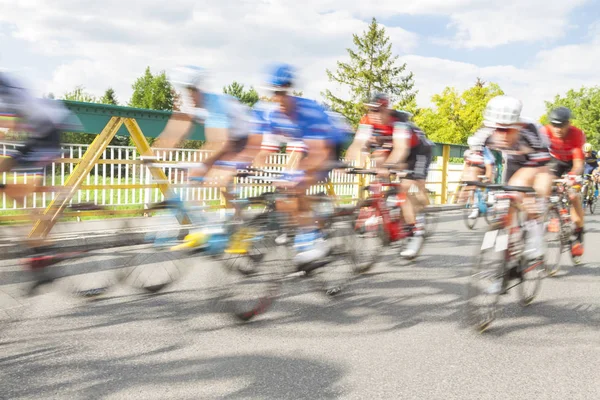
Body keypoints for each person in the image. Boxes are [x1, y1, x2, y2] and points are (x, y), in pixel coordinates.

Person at [251, 63, 349, 265]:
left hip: (330, 142)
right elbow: (265, 150)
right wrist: (253, 168)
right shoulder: (271, 114)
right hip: (306, 143)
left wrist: (294, 177)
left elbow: (319, 153)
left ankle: (317, 240)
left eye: (282, 92)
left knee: (299, 184)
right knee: (287, 192)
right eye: (274, 93)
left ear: (289, 90)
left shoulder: (308, 111)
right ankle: (304, 229)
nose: (278, 98)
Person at [345, 92, 434, 258]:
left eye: (378, 111)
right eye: (372, 111)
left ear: (387, 109)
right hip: (391, 146)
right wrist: (347, 163)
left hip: (418, 150)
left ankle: (415, 229)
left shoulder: (399, 123)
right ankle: (383, 205)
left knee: (406, 188)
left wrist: (389, 166)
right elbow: (357, 144)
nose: (375, 115)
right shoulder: (367, 120)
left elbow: (402, 149)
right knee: (378, 160)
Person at [469, 96, 552, 268]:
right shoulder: (484, 134)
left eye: (507, 130)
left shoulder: (531, 132)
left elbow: (542, 173)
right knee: (507, 205)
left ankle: (536, 237)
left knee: (526, 194)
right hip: (514, 159)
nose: (501, 135)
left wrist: (538, 200)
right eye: (497, 129)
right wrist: (470, 182)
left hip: (534, 160)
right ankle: (506, 260)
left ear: (518, 125)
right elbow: (473, 165)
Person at [542, 106, 585, 257]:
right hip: (556, 161)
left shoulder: (576, 134)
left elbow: (579, 164)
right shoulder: (545, 132)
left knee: (573, 195)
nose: (557, 129)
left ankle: (579, 233)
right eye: (554, 125)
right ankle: (554, 213)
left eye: (561, 125)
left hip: (572, 162)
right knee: (546, 184)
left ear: (568, 124)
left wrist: (572, 176)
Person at [459, 136, 496, 217]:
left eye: (479, 149)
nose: (477, 151)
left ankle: (490, 193)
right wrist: (464, 177)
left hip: (488, 166)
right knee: (472, 186)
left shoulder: (486, 153)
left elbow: (489, 169)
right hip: (477, 166)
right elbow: (467, 166)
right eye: (475, 149)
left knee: (489, 179)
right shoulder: (468, 153)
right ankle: (475, 208)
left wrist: (487, 178)